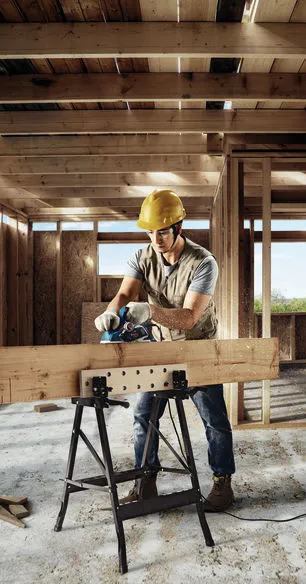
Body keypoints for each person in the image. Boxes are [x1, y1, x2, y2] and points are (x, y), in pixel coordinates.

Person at [94, 189, 235, 512]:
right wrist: (112, 312)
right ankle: (146, 483)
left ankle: (222, 483)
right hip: (160, 348)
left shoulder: (203, 263)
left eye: (162, 231)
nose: (155, 239)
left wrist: (150, 311)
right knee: (143, 415)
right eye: (150, 232)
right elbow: (125, 293)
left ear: (179, 228)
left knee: (213, 419)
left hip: (199, 347)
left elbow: (188, 318)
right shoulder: (142, 257)